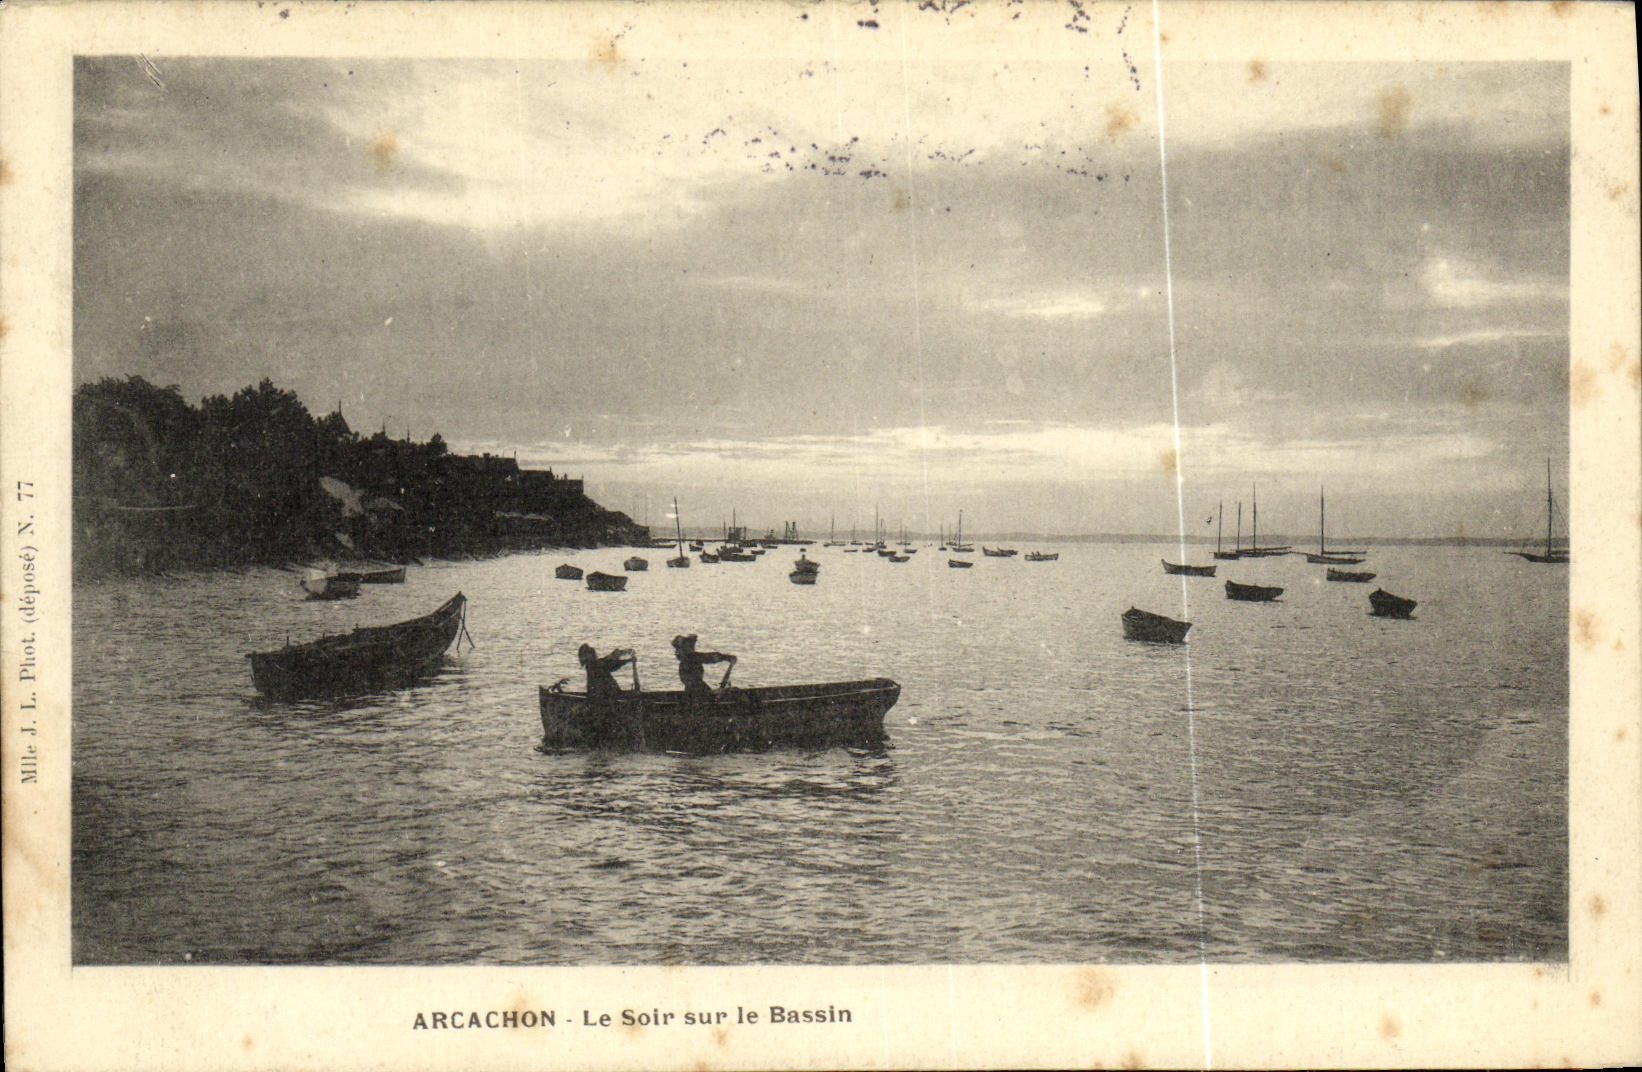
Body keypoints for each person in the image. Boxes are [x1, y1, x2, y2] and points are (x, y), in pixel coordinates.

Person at [671, 634, 736, 704]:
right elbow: (709, 657)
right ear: (685, 647)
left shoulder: (686, 659)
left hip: (694, 692)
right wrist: (726, 657)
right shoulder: (691, 657)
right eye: (690, 645)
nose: (693, 647)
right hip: (697, 694)